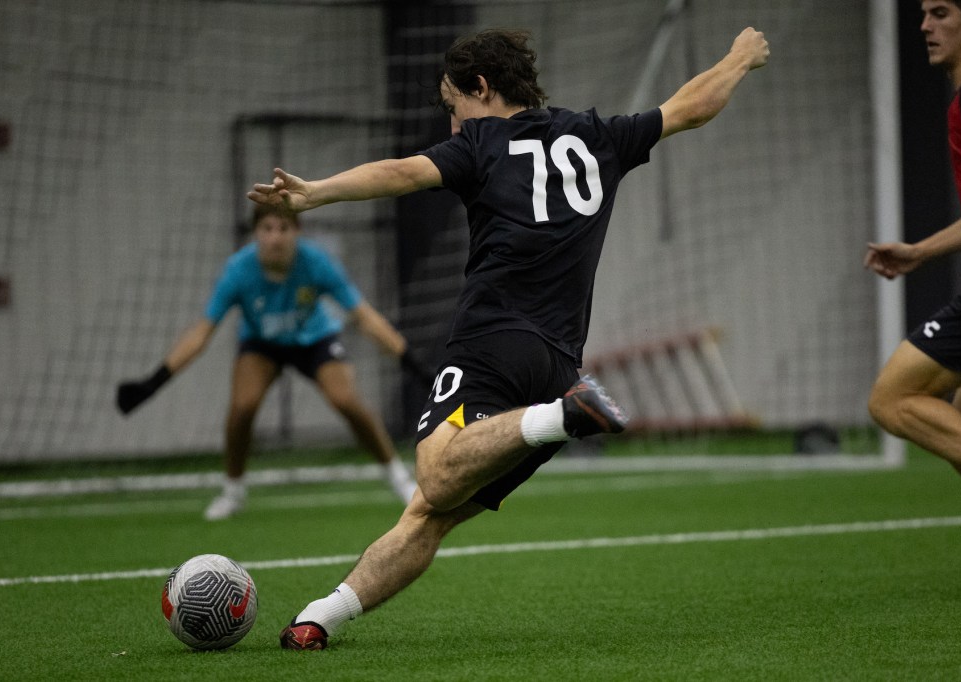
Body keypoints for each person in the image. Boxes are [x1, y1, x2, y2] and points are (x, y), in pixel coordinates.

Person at [249, 26, 769, 649]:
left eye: (452, 106)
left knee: (437, 478)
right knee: (430, 513)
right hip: (556, 362)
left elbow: (400, 172)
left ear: (483, 87)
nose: (452, 125)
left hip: (491, 342)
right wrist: (739, 58)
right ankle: (319, 619)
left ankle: (562, 417)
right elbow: (690, 107)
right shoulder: (599, 135)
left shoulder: (480, 144)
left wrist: (316, 192)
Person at [117, 204, 431, 519]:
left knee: (347, 400)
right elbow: (201, 332)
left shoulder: (317, 263)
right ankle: (233, 491)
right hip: (261, 344)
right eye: (267, 228)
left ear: (297, 232)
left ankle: (398, 477)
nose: (275, 237)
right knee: (242, 407)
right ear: (256, 233)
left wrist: (416, 368)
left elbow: (364, 317)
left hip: (314, 339)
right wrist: (153, 382)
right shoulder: (238, 271)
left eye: (283, 228)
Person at [865, 0, 961, 504]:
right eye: (923, 14)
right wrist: (920, 251)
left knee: (891, 399)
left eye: (940, 13)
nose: (924, 26)